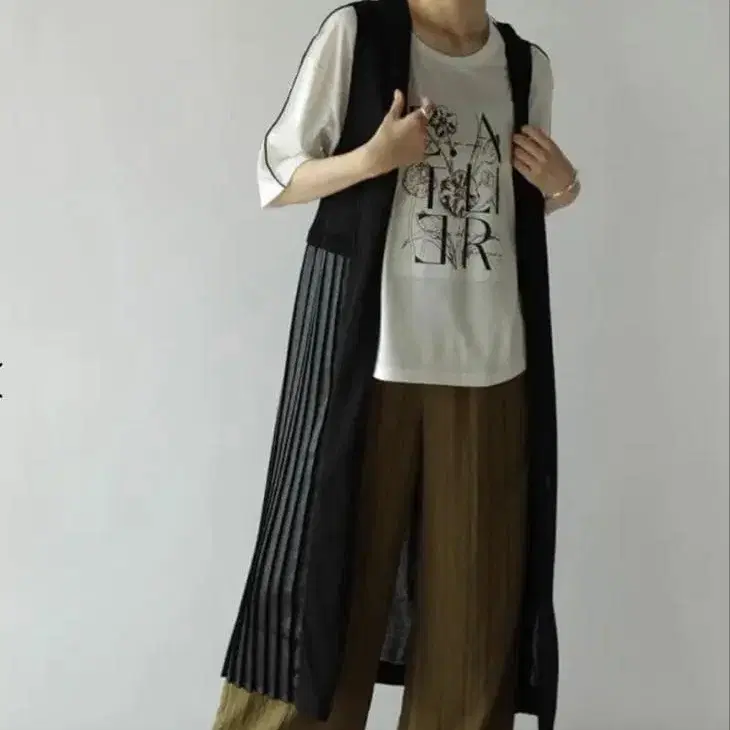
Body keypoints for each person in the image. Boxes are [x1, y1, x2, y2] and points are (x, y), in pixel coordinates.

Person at [214, 0, 580, 728]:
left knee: (473, 633)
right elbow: (275, 176)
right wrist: (373, 159)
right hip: (371, 364)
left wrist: (564, 184)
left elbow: (516, 206)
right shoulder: (359, 34)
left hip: (490, 370)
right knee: (325, 595)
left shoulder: (524, 65)